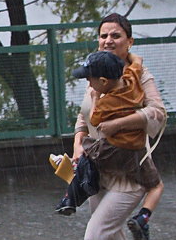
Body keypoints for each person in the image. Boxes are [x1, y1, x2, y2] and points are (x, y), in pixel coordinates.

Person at [70, 13, 166, 240]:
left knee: (96, 236)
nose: (108, 40)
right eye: (104, 35)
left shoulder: (139, 77)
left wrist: (119, 124)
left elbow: (157, 113)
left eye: (115, 35)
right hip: (98, 170)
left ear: (129, 41)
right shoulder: (96, 73)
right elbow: (84, 118)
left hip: (127, 168)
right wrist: (78, 145)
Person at [55, 50, 161, 214]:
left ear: (103, 81)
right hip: (136, 151)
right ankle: (144, 214)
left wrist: (96, 97)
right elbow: (138, 61)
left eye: (90, 80)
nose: (89, 84)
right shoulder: (132, 81)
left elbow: (94, 120)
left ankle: (72, 195)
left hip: (114, 150)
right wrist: (129, 56)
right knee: (153, 183)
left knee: (89, 152)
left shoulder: (107, 102)